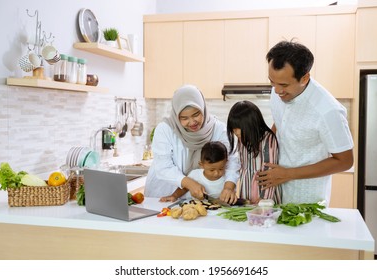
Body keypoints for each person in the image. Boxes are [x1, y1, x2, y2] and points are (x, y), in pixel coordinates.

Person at [258, 40, 354, 205]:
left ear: (304, 78)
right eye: (272, 82)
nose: (277, 90)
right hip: (276, 194)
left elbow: (345, 161)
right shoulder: (278, 92)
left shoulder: (328, 111)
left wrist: (288, 174)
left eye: (283, 85)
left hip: (308, 201)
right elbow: (281, 123)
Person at [144, 84, 240, 204]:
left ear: (203, 108)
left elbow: (231, 161)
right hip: (164, 194)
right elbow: (163, 166)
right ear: (176, 116)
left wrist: (228, 187)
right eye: (184, 118)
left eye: (196, 115)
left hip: (200, 200)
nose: (192, 122)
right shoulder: (165, 129)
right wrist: (189, 183)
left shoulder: (219, 130)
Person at [227, 101, 282, 205]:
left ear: (252, 125)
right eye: (235, 132)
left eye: (239, 132)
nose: (237, 135)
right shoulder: (242, 139)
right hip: (247, 187)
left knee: (266, 216)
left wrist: (264, 199)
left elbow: (269, 170)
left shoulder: (268, 139)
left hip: (265, 189)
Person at [160, 141, 228, 201]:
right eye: (212, 170)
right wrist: (174, 196)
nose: (216, 173)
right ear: (201, 165)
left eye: (221, 169)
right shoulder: (195, 175)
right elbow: (184, 189)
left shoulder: (227, 179)